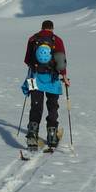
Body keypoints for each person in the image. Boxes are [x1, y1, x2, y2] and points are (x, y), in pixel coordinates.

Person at [21, 19, 68, 150]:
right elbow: (61, 62)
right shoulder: (57, 40)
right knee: (52, 107)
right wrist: (64, 76)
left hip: (35, 78)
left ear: (41, 28)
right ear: (52, 28)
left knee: (36, 106)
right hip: (52, 80)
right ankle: (52, 135)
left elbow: (27, 60)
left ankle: (32, 134)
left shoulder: (33, 39)